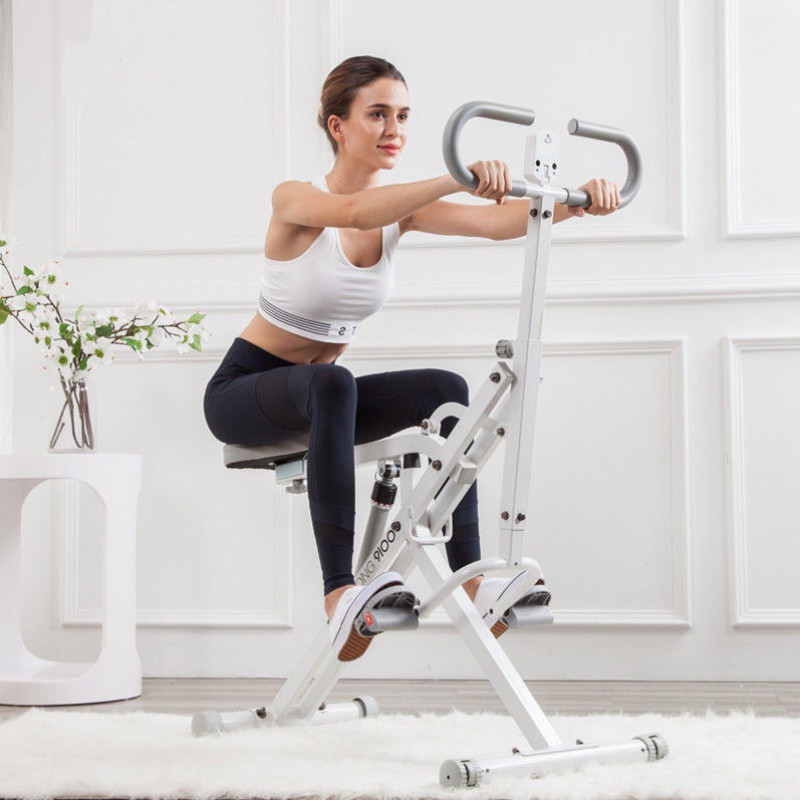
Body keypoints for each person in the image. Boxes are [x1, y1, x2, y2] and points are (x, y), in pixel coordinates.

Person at [204, 55, 620, 661]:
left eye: (402, 115)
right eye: (377, 114)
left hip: (321, 399)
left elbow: (497, 225)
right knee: (334, 383)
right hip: (244, 394)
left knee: (443, 389)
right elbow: (354, 212)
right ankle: (339, 594)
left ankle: (474, 585)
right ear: (337, 126)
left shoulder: (402, 212)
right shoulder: (295, 199)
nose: (394, 128)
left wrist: (577, 202)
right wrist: (457, 176)